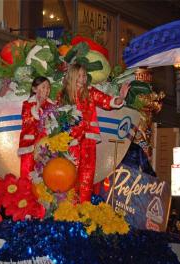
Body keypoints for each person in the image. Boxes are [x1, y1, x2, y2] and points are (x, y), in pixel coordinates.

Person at [58, 63, 129, 202]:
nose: (83, 78)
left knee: (87, 174)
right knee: (70, 173)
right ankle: (67, 209)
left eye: (84, 75)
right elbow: (57, 117)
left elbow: (106, 101)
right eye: (79, 75)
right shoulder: (63, 95)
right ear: (72, 76)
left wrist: (120, 98)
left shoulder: (90, 92)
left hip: (89, 139)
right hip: (70, 140)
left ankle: (84, 207)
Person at [18, 76, 55, 179]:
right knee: (27, 175)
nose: (47, 90)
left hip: (46, 146)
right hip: (30, 145)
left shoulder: (52, 106)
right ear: (34, 89)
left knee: (45, 177)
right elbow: (28, 121)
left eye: (48, 87)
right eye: (43, 87)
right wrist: (37, 107)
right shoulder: (27, 104)